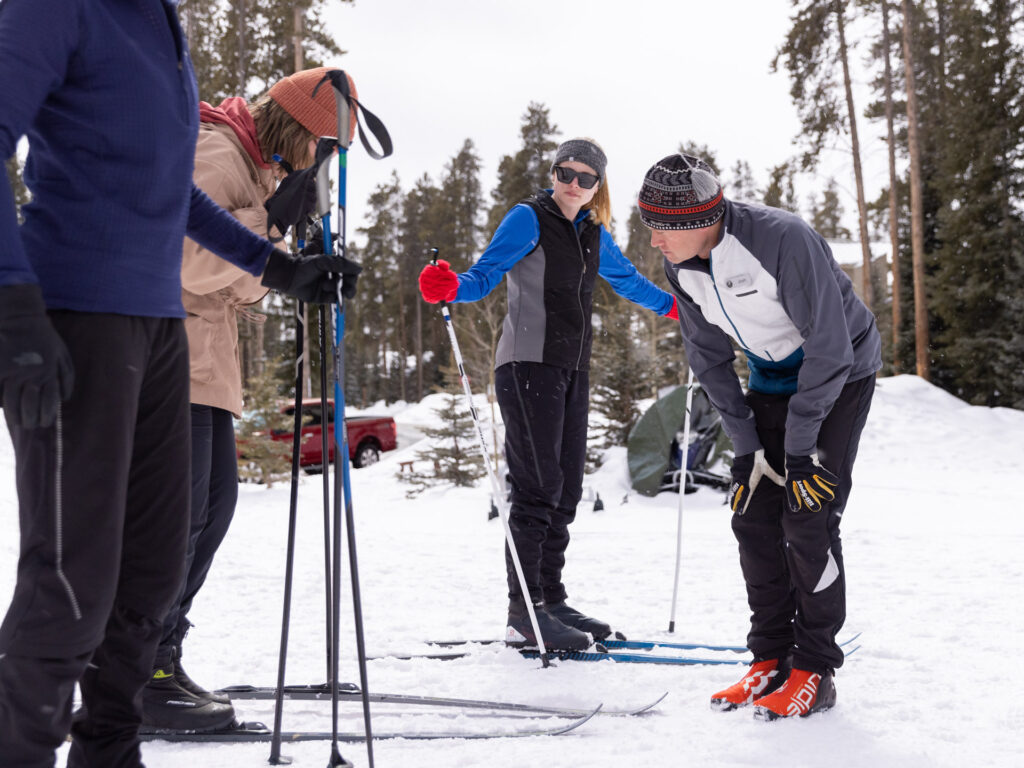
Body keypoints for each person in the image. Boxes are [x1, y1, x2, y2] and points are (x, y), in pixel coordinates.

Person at [0, 2, 353, 765]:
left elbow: (173, 193)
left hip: (161, 327)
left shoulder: (159, 20)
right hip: (75, 312)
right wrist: (12, 301)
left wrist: (278, 267)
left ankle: (111, 750)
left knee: (151, 574)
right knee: (74, 580)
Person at [141, 66, 359, 733]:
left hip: (204, 364)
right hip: (167, 356)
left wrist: (283, 251)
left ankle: (157, 656)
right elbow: (182, 255)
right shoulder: (217, 150)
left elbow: (238, 287)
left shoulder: (255, 166)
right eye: (325, 151)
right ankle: (135, 669)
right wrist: (266, 225)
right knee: (175, 520)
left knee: (209, 509)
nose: (321, 168)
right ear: (301, 132)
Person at [637, 153, 881, 720]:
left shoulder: (782, 240)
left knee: (807, 514)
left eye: (661, 228)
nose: (654, 241)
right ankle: (770, 656)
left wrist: (799, 451)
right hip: (770, 378)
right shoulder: (684, 263)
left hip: (840, 375)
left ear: (699, 219)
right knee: (751, 514)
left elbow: (830, 346)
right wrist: (746, 447)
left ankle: (815, 669)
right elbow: (708, 356)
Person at [418, 138, 680, 651]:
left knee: (562, 490)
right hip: (526, 365)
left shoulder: (592, 231)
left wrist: (679, 309)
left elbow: (627, 281)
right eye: (565, 173)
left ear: (598, 186)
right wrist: (448, 287)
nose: (573, 184)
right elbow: (483, 276)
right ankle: (525, 612)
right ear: (553, 173)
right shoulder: (528, 218)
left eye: (586, 177)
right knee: (536, 487)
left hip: (571, 369)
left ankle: (551, 599)